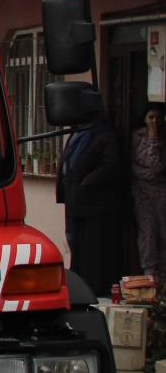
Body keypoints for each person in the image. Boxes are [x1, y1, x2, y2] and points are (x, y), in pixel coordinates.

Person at [58, 111, 128, 297]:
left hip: (96, 204)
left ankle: (95, 288)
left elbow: (110, 166)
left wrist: (85, 183)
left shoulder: (106, 136)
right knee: (77, 246)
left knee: (95, 249)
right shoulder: (77, 135)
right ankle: (80, 286)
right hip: (76, 201)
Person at [133, 102, 166, 277]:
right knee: (148, 232)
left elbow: (156, 166)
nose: (155, 122)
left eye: (159, 118)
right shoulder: (136, 137)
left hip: (162, 191)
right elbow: (132, 167)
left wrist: (154, 140)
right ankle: (149, 275)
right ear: (144, 119)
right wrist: (150, 174)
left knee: (163, 232)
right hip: (142, 192)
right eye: (151, 117)